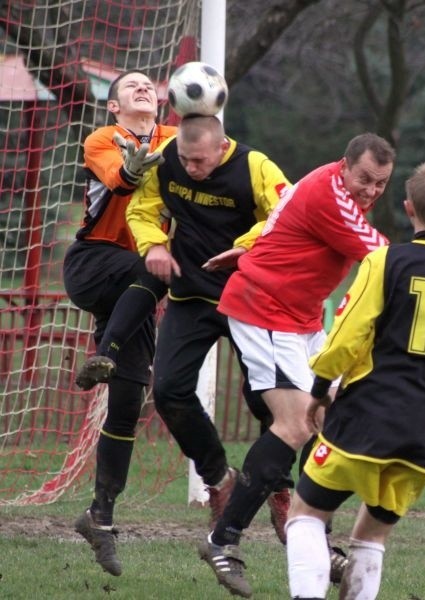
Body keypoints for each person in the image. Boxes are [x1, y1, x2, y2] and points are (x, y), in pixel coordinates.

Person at [198, 135, 425, 598]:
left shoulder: (336, 190)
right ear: (343, 166)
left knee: (323, 421)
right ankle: (223, 540)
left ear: (405, 201)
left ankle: (311, 535)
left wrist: (252, 243)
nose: (369, 191)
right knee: (294, 426)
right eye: (364, 179)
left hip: (299, 318)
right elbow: (395, 264)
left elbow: (286, 214)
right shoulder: (332, 197)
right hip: (265, 309)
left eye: (381, 184)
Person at [285, 161, 425, 599]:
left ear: (408, 209)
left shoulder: (385, 260)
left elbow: (350, 334)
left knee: (305, 513)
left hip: (368, 414)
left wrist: (318, 390)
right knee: (372, 535)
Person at [124, 114, 293, 546]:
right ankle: (219, 478)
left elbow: (288, 212)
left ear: (222, 148)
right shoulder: (166, 163)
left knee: (267, 401)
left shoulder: (256, 166)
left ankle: (280, 487)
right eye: (186, 159)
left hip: (248, 295)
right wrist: (155, 244)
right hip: (192, 296)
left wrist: (244, 247)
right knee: (168, 391)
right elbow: (140, 210)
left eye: (200, 161)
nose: (192, 169)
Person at [63, 70, 177, 576]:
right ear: (113, 107)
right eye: (131, 85)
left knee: (129, 403)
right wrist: (134, 170)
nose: (143, 88)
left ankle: (100, 519)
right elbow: (119, 178)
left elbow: (213, 162)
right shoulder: (103, 138)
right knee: (154, 263)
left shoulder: (177, 138)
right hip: (93, 262)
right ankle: (104, 353)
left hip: (138, 284)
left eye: (150, 84)